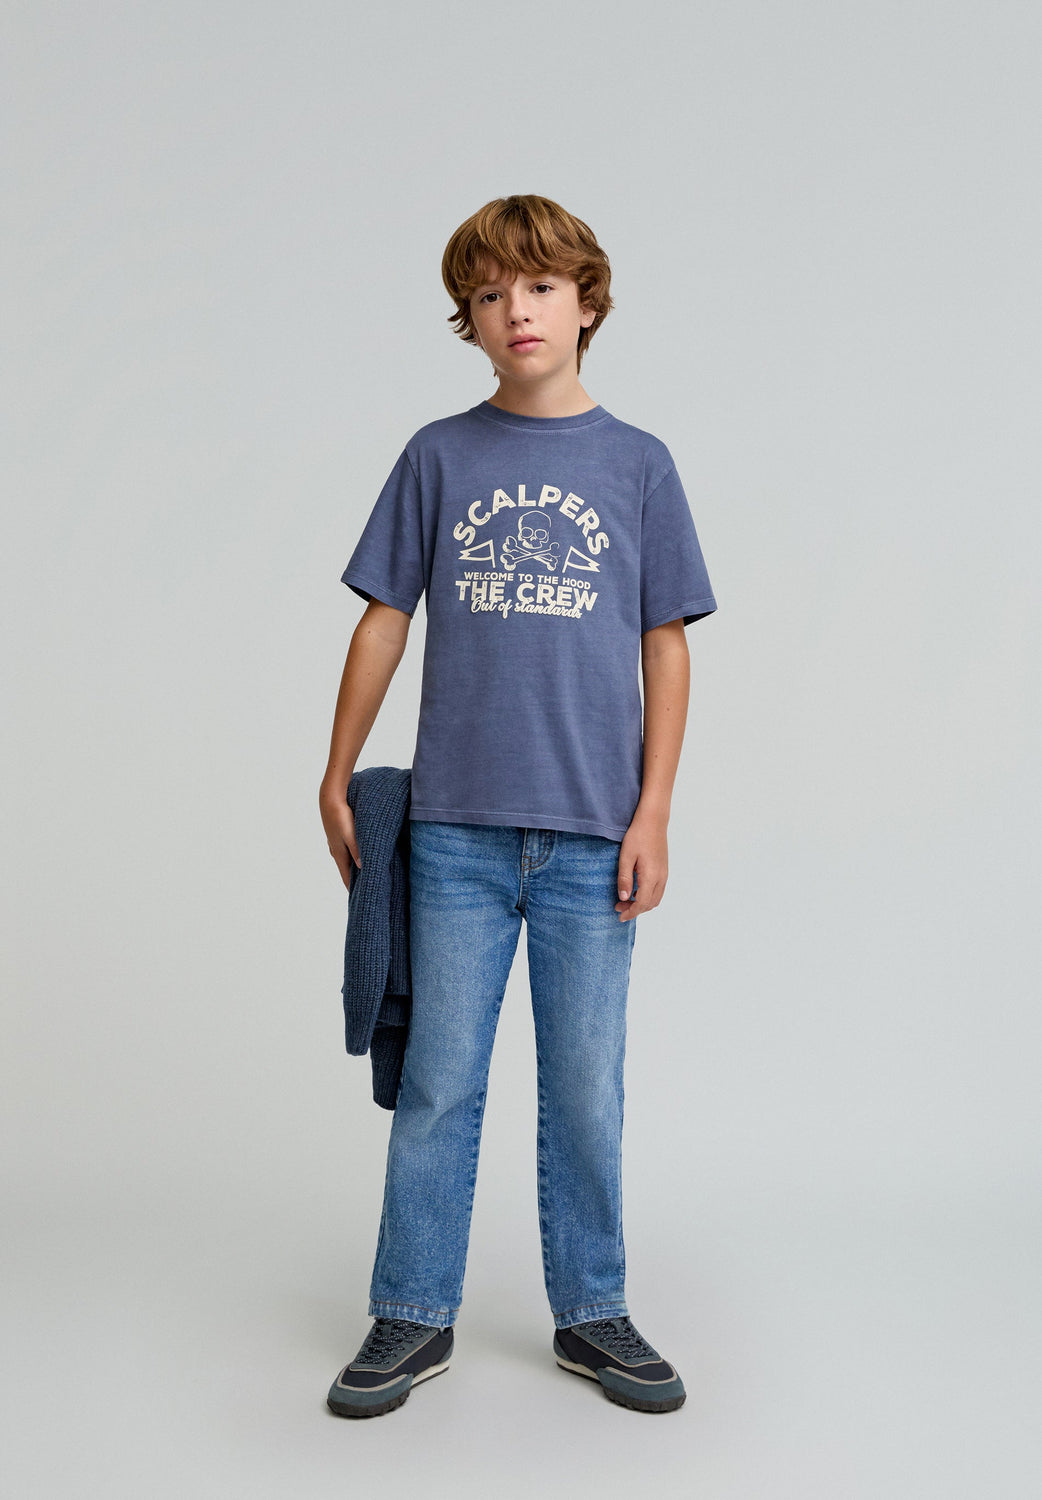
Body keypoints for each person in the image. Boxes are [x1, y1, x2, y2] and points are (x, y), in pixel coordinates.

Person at [319, 194, 717, 1418]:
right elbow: (384, 619)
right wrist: (335, 769)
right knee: (438, 1082)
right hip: (453, 833)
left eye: (538, 287)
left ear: (586, 302)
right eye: (488, 294)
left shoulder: (637, 464)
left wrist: (653, 812)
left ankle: (591, 1311)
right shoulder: (438, 457)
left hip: (594, 836)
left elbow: (666, 644)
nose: (515, 311)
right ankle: (411, 1311)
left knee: (585, 1087)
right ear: (470, 320)